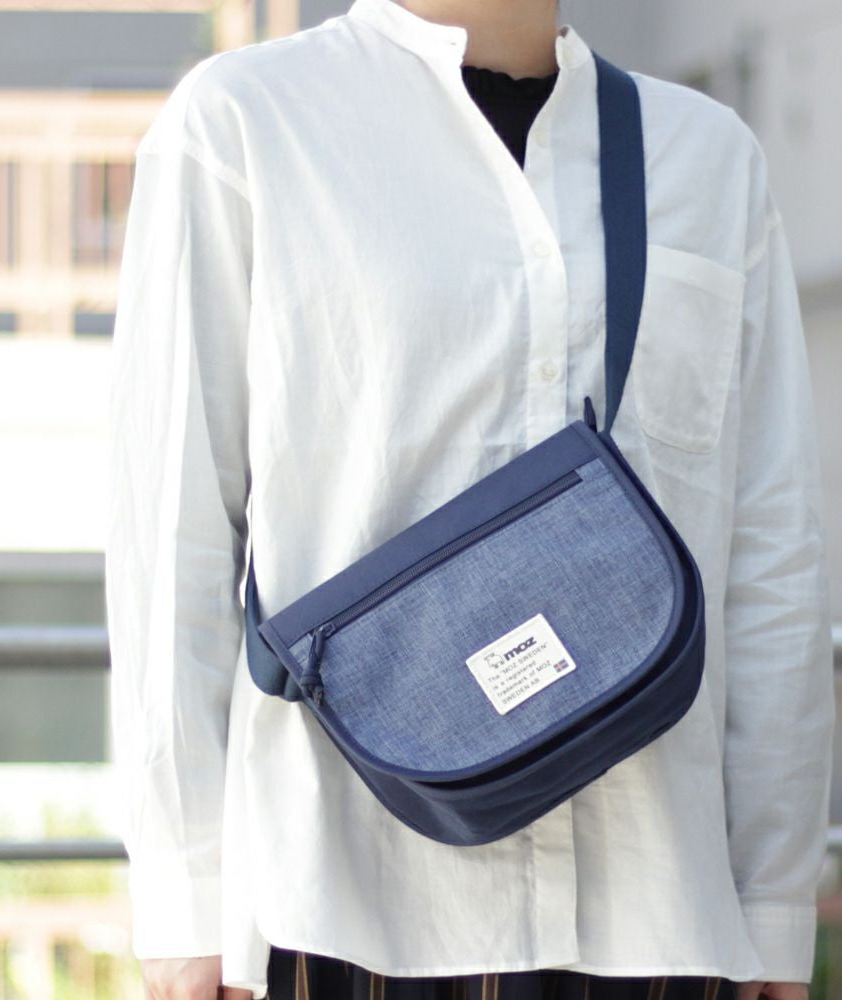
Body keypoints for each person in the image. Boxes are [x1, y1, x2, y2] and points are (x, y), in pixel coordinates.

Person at [103, 0, 835, 998]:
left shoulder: (707, 158)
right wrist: (187, 902)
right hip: (343, 907)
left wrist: (774, 899)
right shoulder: (246, 124)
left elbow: (771, 552)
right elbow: (172, 535)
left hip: (658, 913)